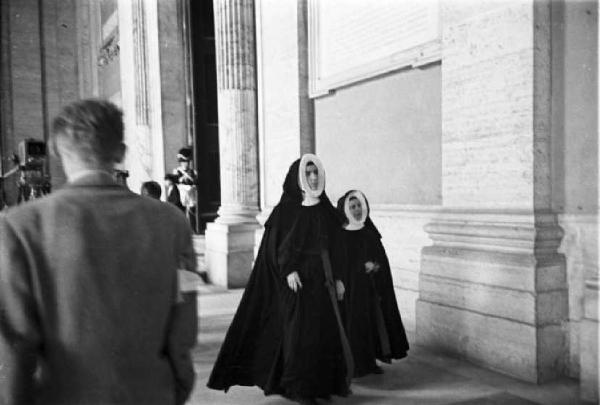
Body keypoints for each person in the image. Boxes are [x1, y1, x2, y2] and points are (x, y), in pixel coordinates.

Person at [0, 99, 197, 405]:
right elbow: (184, 317)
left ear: (56, 149)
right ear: (120, 152)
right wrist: (177, 385)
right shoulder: (172, 223)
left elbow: (14, 342)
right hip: (151, 393)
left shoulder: (21, 226)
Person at [207, 154, 353, 405]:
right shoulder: (286, 210)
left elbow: (338, 247)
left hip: (324, 282)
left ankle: (322, 384)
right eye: (308, 173)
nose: (314, 177)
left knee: (323, 334)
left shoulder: (326, 210)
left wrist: (339, 278)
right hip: (297, 284)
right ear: (299, 178)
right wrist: (288, 270)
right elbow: (276, 247)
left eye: (316, 172)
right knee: (300, 335)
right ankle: (301, 389)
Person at [335, 190, 409, 377]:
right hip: (351, 291)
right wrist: (359, 269)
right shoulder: (341, 236)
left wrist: (374, 266)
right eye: (352, 206)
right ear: (345, 210)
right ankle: (354, 365)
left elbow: (380, 261)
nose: (357, 209)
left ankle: (370, 362)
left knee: (371, 327)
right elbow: (340, 265)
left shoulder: (370, 234)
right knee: (353, 327)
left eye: (359, 205)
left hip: (370, 290)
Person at [173, 147, 198, 232]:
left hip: (191, 196)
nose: (186, 164)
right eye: (183, 161)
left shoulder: (193, 172)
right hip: (181, 196)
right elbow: (176, 182)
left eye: (187, 161)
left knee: (192, 214)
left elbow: (196, 182)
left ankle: (193, 230)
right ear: (180, 162)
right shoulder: (177, 171)